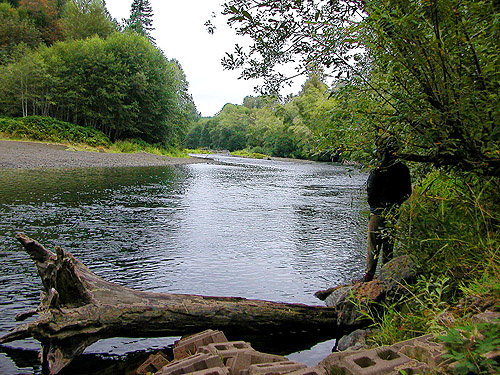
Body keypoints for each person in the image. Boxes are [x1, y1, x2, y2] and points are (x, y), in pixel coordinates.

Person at [359, 136, 412, 282]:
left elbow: (370, 192)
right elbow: (408, 191)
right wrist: (397, 203)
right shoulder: (403, 169)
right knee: (389, 245)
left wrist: (375, 207)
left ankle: (369, 276)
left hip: (377, 212)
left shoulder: (378, 169)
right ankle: (387, 274)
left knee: (373, 245)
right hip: (393, 211)